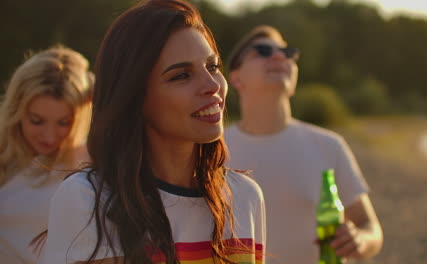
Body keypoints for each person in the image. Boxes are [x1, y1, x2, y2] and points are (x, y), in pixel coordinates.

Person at [38, 1, 265, 264]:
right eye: (181, 76)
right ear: (135, 97)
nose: (212, 85)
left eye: (212, 67)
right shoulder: (88, 199)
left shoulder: (245, 197)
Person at [224, 25, 383, 263]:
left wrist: (359, 239)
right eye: (263, 51)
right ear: (235, 78)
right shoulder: (212, 149)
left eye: (288, 53)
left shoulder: (329, 145)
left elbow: (371, 228)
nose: (279, 56)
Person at [0, 46, 93, 264]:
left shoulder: (86, 160)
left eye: (64, 123)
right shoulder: (4, 156)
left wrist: (94, 89)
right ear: (17, 108)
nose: (49, 136)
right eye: (36, 120)